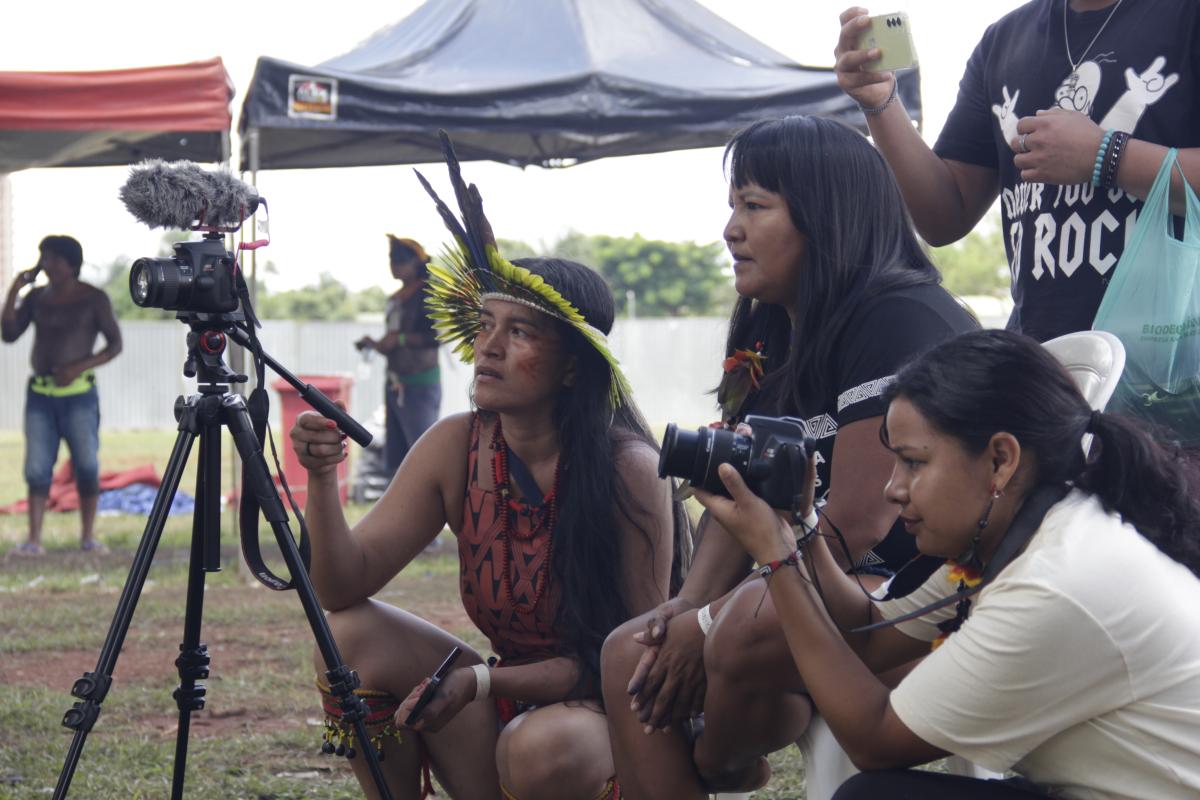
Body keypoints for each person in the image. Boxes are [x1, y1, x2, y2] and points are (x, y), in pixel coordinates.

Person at [600, 115, 978, 799]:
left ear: (824, 215)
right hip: (808, 581)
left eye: (754, 205)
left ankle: (720, 758)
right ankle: (742, 733)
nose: (730, 229)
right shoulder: (773, 330)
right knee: (632, 647)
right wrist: (688, 604)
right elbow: (738, 486)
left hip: (916, 592)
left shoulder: (901, 317)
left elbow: (858, 522)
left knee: (738, 627)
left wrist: (709, 623)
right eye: (732, 206)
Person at [291, 149, 686, 800]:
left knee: (541, 746)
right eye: (485, 326)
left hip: (603, 721)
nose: (490, 349)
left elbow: (627, 669)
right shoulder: (457, 446)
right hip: (500, 700)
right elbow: (340, 587)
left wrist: (481, 682)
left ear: (572, 367)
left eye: (521, 332)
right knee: (349, 636)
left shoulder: (630, 470)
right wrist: (322, 477)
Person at [692, 328, 1200, 799]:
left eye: (914, 462)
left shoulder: (1055, 581)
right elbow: (869, 632)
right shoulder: (1030, 532)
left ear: (1001, 459)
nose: (893, 488)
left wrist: (776, 559)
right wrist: (799, 528)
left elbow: (874, 738)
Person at [834, 1, 1200, 343]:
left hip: (1172, 369)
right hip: (1047, 371)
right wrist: (881, 101)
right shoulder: (1004, 41)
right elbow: (943, 217)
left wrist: (1107, 156)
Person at [1, 235, 122, 555]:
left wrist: (79, 366)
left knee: (86, 465)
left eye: (53, 258)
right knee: (37, 468)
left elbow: (115, 345)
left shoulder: (93, 298)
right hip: (40, 396)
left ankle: (88, 537)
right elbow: (9, 334)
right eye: (44, 258)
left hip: (80, 395)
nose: (46, 264)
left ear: (71, 264)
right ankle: (34, 540)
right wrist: (15, 288)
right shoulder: (37, 298)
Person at [355, 235, 441, 477]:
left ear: (417, 263)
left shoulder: (428, 294)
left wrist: (401, 339)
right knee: (398, 459)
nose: (395, 265)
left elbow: (436, 337)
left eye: (401, 260)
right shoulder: (397, 298)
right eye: (392, 259)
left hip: (420, 385)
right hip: (395, 383)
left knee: (423, 455)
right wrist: (374, 344)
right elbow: (391, 340)